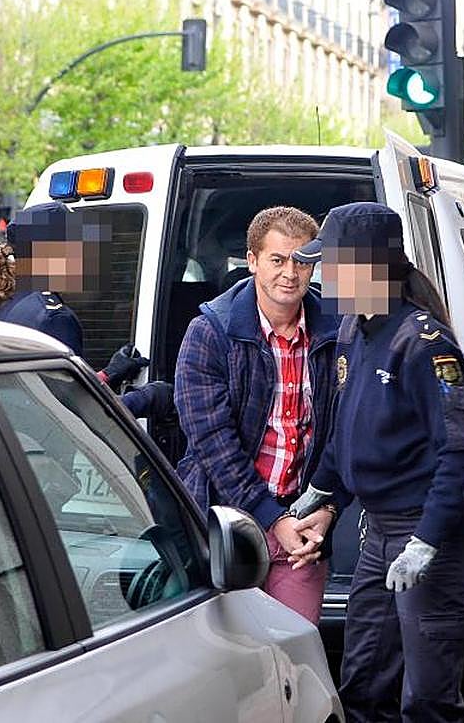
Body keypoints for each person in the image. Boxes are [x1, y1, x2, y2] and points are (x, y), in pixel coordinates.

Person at [287, 202, 464, 722]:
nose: (319, 277)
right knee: (364, 682)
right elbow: (347, 431)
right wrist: (320, 489)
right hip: (378, 535)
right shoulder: (354, 329)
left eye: (327, 264)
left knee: (427, 699)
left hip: (429, 537)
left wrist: (426, 541)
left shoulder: (423, 344)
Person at [173, 206, 340, 624]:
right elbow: (212, 442)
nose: (290, 273)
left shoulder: (338, 331)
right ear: (251, 262)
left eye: (301, 261)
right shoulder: (210, 332)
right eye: (277, 259)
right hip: (226, 523)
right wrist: (271, 517)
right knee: (229, 662)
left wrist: (330, 506)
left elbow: (348, 429)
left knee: (294, 654)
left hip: (302, 527)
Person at [0, 201, 171, 419]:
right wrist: (149, 398)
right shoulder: (54, 318)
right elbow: (76, 416)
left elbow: (47, 389)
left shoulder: (7, 301)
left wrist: (106, 375)